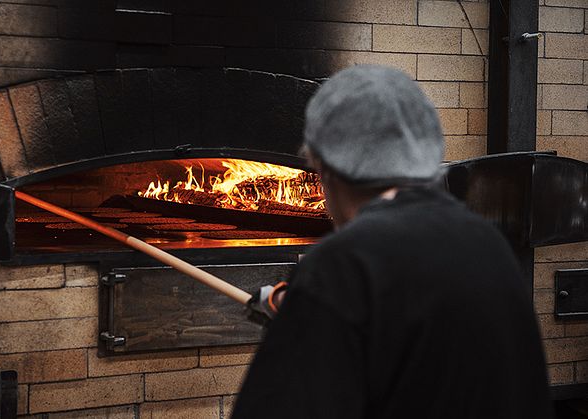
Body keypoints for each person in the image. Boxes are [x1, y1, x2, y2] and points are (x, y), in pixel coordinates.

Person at [235, 65, 552, 418]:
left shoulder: (342, 265)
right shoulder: (488, 244)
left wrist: (308, 316)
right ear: (424, 152)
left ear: (324, 167)